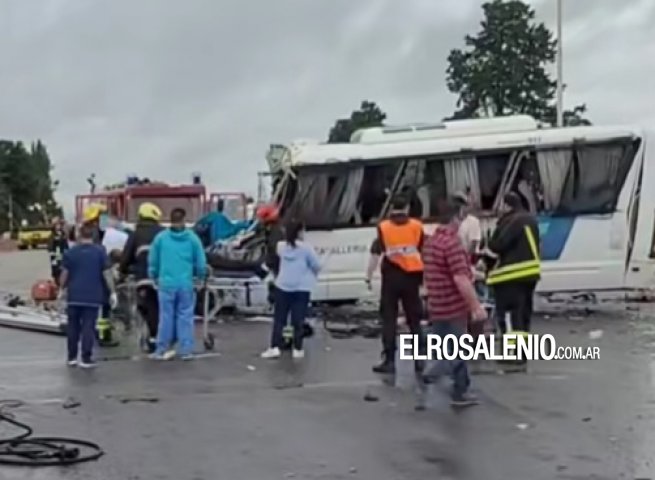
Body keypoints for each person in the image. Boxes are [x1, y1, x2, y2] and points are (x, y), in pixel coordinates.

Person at [421, 196, 487, 408]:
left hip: (437, 304)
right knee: (458, 349)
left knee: (445, 346)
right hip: (453, 306)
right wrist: (475, 307)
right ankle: (455, 388)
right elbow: (460, 279)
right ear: (457, 216)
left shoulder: (431, 242)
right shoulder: (452, 244)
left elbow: (438, 273)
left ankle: (445, 376)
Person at [369, 194, 425, 374]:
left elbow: (376, 253)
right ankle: (420, 361)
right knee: (414, 320)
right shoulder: (417, 226)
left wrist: (368, 275)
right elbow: (423, 251)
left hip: (391, 277)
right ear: (407, 207)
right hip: (412, 278)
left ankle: (390, 361)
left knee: (389, 319)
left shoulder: (383, 227)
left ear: (392, 207)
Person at [486, 192, 541, 370]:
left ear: (507, 205)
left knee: (511, 316)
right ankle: (523, 353)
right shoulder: (530, 219)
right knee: (524, 315)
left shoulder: (509, 221)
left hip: (511, 275)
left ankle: (513, 354)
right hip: (531, 274)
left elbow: (498, 245)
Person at [148, 208, 207, 361]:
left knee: (166, 317)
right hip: (185, 283)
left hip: (166, 283)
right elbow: (200, 262)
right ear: (183, 220)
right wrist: (200, 277)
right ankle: (186, 349)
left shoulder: (160, 238)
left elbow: (153, 261)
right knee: (185, 317)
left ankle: (162, 348)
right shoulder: (193, 239)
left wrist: (153, 276)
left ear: (170, 219)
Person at [59, 223, 118, 368]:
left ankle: (72, 357)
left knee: (73, 327)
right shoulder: (100, 252)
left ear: (79, 235)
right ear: (93, 235)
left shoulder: (70, 252)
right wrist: (112, 292)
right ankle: (86, 358)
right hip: (92, 296)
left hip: (74, 295)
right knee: (88, 327)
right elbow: (107, 274)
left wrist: (61, 290)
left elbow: (64, 273)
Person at [261, 220, 321, 359]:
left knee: (279, 319)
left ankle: (274, 347)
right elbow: (316, 265)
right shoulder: (307, 249)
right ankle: (298, 348)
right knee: (298, 319)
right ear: (300, 232)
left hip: (283, 286)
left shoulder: (281, 247)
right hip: (301, 288)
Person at [119, 202, 164, 353]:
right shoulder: (163, 232)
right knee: (160, 307)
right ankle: (159, 336)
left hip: (143, 278)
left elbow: (126, 257)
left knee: (147, 306)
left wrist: (123, 271)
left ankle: (154, 337)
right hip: (163, 278)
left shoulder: (136, 234)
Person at [48, 217, 69, 287]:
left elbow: (66, 244)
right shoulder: (52, 235)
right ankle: (57, 284)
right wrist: (52, 254)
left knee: (63, 268)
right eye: (56, 225)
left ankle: (63, 283)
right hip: (56, 253)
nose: (58, 226)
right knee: (56, 269)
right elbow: (50, 246)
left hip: (63, 253)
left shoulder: (63, 234)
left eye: (59, 225)